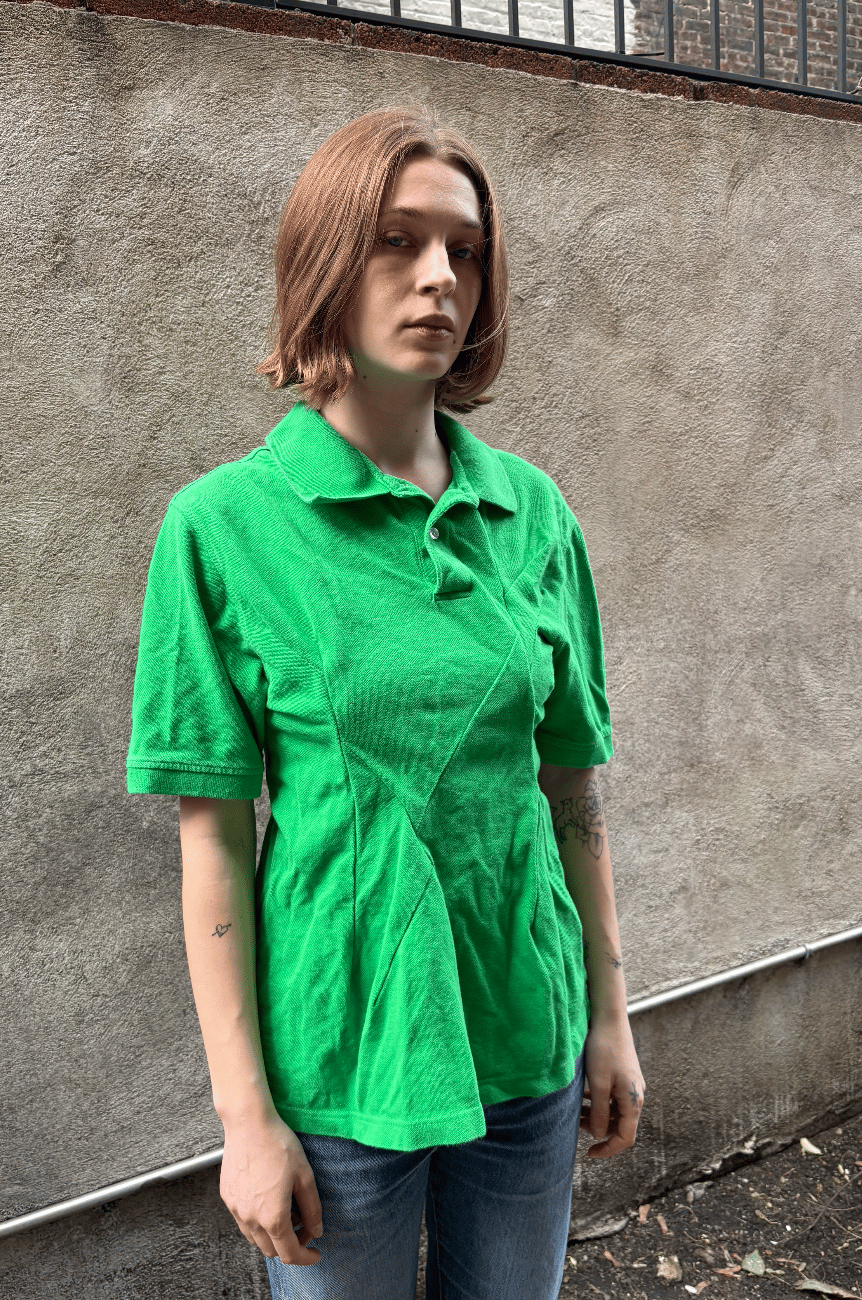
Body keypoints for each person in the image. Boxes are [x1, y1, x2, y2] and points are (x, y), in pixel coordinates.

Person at [126, 105, 645, 1300]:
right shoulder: (223, 527)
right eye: (396, 241)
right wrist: (244, 1116)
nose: (439, 277)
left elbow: (570, 792)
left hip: (526, 1038)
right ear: (324, 262)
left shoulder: (534, 514)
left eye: (465, 249)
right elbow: (213, 839)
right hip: (341, 1058)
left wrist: (610, 1014)